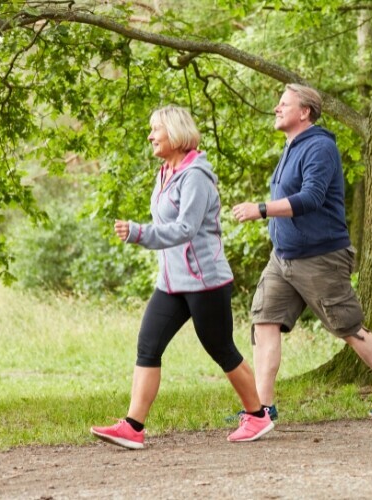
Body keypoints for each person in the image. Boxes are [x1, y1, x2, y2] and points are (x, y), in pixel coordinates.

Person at [90, 105, 273, 449]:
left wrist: (139, 233)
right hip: (171, 283)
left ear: (174, 133)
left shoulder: (196, 177)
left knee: (221, 349)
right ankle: (133, 426)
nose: (150, 136)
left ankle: (258, 416)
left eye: (155, 129)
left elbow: (186, 228)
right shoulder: (165, 172)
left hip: (205, 281)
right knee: (148, 345)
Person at [232, 84, 372, 419]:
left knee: (347, 326)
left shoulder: (319, 147)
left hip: (320, 257)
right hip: (283, 256)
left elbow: (311, 198)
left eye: (283, 103)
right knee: (264, 321)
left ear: (305, 112)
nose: (276, 108)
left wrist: (261, 209)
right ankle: (262, 409)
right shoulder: (291, 146)